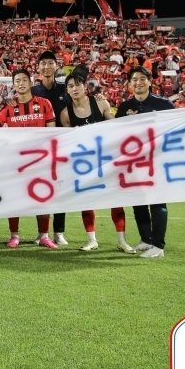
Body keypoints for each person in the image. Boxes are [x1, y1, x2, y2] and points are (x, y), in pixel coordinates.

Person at [59, 71, 135, 253]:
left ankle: (122, 240)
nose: (74, 88)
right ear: (67, 91)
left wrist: (132, 119)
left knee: (116, 200)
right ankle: (91, 239)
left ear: (85, 86)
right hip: (84, 164)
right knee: (87, 201)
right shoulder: (65, 113)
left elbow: (115, 125)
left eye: (77, 84)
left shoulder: (100, 103)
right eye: (70, 86)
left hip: (107, 161)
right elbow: (68, 142)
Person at [0, 68, 57, 249]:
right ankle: (14, 235)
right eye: (17, 81)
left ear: (31, 82)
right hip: (16, 161)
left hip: (40, 160)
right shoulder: (9, 107)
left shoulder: (44, 104)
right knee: (15, 198)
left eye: (24, 80)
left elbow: (53, 131)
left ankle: (44, 236)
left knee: (42, 197)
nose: (21, 83)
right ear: (13, 84)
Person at [115, 67, 176, 259]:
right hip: (134, 163)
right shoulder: (124, 107)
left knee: (157, 202)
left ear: (150, 81)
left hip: (158, 161)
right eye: (135, 80)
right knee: (138, 202)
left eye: (142, 79)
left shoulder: (164, 104)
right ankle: (146, 239)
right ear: (130, 84)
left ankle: (158, 245)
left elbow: (178, 126)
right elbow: (115, 133)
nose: (138, 82)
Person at [32, 50, 69, 245]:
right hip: (39, 150)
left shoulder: (65, 89)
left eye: (50, 63)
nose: (46, 67)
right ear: (38, 67)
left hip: (62, 148)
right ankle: (42, 231)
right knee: (41, 189)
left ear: (56, 66)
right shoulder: (33, 91)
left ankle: (59, 231)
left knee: (60, 189)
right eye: (43, 63)